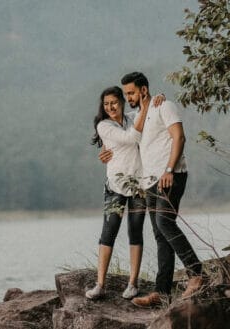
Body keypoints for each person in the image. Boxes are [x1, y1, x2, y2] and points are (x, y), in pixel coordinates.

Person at [101, 72, 204, 307]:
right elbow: (119, 135)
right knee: (160, 235)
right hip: (148, 183)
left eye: (130, 93)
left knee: (164, 224)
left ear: (143, 91)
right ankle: (162, 293)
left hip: (170, 177)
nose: (127, 98)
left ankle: (196, 273)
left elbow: (179, 137)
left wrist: (169, 169)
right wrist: (104, 153)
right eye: (125, 93)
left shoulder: (164, 106)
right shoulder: (136, 116)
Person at [85, 86, 164, 300]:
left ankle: (133, 283)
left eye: (114, 102)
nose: (110, 107)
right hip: (116, 186)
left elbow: (146, 115)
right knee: (108, 232)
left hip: (138, 185)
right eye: (106, 104)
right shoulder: (104, 125)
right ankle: (100, 284)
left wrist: (158, 99)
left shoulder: (132, 118)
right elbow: (131, 138)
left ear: (122, 102)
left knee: (135, 232)